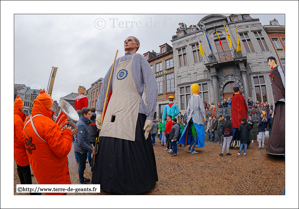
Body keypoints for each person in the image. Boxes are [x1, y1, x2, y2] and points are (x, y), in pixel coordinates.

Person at [93, 36, 158, 194]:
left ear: (137, 45)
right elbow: (105, 87)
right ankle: (107, 181)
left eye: (130, 40)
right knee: (108, 144)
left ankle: (133, 183)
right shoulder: (116, 61)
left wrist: (150, 115)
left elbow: (151, 84)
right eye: (125, 40)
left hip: (133, 107)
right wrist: (100, 110)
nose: (126, 42)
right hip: (114, 108)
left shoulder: (140, 59)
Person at [23, 90, 74, 195]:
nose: (53, 110)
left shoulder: (28, 121)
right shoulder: (48, 124)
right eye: (51, 107)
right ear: (46, 107)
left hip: (41, 174)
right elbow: (63, 149)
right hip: (55, 178)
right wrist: (68, 133)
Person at [14, 95, 35, 191]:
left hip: (16, 149)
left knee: (19, 168)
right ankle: (28, 189)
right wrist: (29, 144)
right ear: (19, 107)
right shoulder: (18, 120)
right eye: (22, 106)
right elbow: (21, 139)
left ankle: (22, 184)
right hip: (21, 150)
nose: (23, 108)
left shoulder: (15, 117)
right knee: (25, 170)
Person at [178, 84, 205, 152]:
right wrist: (204, 116)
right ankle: (193, 148)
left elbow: (188, 109)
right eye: (199, 88)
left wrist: (188, 117)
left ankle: (190, 148)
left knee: (191, 131)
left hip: (191, 116)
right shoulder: (199, 98)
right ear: (197, 89)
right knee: (200, 131)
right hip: (197, 115)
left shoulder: (190, 99)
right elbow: (202, 108)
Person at [266, 57, 285, 155]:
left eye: (268, 62)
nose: (268, 64)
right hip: (278, 100)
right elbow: (274, 93)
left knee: (282, 123)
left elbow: (284, 81)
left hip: (282, 99)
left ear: (273, 61)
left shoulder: (278, 69)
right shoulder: (272, 72)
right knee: (278, 124)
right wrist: (273, 109)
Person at [74, 108, 94, 184]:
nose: (90, 115)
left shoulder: (83, 122)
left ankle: (82, 178)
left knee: (82, 165)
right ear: (84, 115)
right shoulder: (82, 124)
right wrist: (91, 149)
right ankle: (81, 181)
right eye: (89, 114)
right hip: (80, 150)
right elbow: (81, 141)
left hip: (81, 148)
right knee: (82, 165)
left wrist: (89, 145)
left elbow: (85, 138)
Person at [231, 82, 248, 148]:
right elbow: (245, 107)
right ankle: (244, 143)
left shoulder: (233, 98)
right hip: (242, 118)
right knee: (243, 132)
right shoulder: (242, 97)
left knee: (234, 132)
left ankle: (232, 143)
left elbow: (232, 109)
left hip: (235, 119)